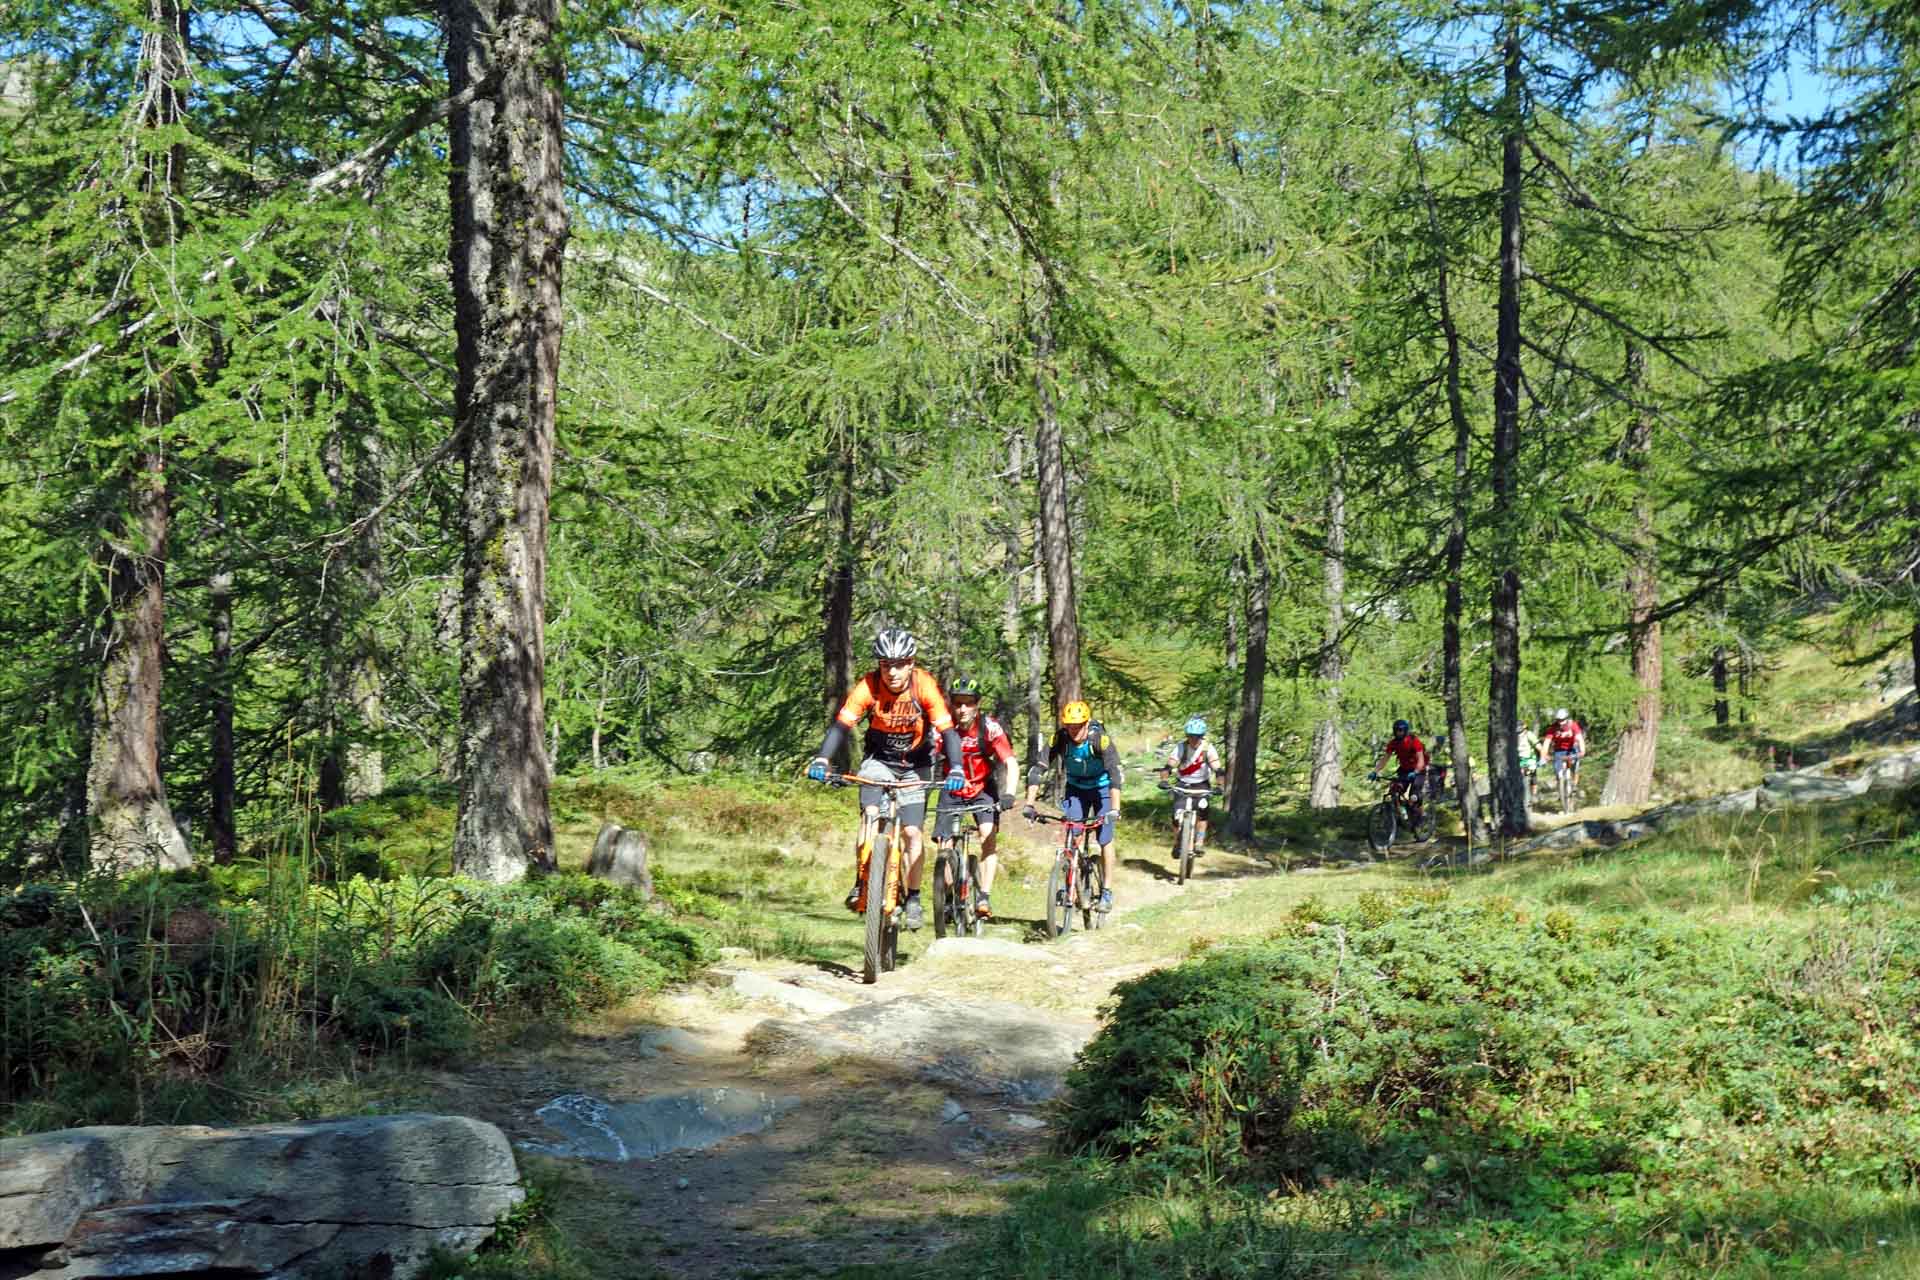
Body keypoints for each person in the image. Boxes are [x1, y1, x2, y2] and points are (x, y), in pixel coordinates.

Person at [807, 628, 965, 930]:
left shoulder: (924, 685)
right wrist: (822, 758)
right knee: (870, 816)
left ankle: (914, 897)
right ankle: (862, 880)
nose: (892, 672)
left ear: (911, 663)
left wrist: (956, 767)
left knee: (912, 834)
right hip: (878, 761)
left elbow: (947, 732)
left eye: (900, 664)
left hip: (916, 765)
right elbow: (841, 725)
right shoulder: (869, 686)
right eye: (885, 664)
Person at [1023, 700, 1124, 913]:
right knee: (1073, 832)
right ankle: (1071, 884)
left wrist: (1115, 809)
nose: (1074, 731)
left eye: (1078, 726)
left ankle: (1107, 891)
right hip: (1076, 789)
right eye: (1070, 726)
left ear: (1086, 724)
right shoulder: (1060, 739)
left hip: (1102, 789)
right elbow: (1037, 769)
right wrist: (1029, 804)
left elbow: (1115, 774)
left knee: (1104, 838)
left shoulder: (1099, 739)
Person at [931, 677, 1017, 918]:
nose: (962, 709)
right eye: (958, 703)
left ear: (977, 704)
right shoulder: (943, 727)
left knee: (988, 836)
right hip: (952, 788)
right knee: (944, 845)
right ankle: (948, 896)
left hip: (982, 788)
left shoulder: (989, 728)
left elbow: (1011, 762)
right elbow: (927, 755)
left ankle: (984, 896)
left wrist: (1010, 793)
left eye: (968, 703)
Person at [1163, 716, 1225, 857]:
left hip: (1201, 785)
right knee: (1176, 816)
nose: (1193, 739)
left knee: (1202, 813)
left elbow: (1218, 769)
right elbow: (1169, 765)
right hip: (1183, 784)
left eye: (1197, 736)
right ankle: (1177, 843)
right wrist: (1164, 780)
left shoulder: (1208, 749)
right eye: (1191, 736)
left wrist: (1220, 785)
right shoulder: (1181, 747)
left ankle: (1199, 842)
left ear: (1202, 736)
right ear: (1187, 736)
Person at [1368, 719, 1428, 826]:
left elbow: (1421, 760)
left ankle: (1421, 815)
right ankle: (1399, 816)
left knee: (1414, 796)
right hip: (1404, 770)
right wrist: (1375, 771)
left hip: (1418, 771)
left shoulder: (1414, 741)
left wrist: (1415, 772)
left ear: (1405, 730)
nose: (1398, 732)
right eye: (1396, 730)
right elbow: (1385, 759)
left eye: (1400, 730)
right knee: (1395, 789)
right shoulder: (1393, 743)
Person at [1545, 708, 1585, 796]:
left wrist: (1582, 751)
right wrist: (1544, 754)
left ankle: (1575, 785)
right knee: (1557, 770)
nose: (1560, 722)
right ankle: (1561, 788)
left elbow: (1580, 738)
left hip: (1572, 748)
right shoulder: (1553, 728)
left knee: (1575, 767)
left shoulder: (1573, 725)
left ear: (1567, 718)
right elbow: (1547, 742)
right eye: (1558, 720)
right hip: (1559, 750)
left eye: (1562, 720)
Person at [1515, 720, 1543, 803]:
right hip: (1519, 759)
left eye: (1520, 726)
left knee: (1533, 775)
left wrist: (1543, 755)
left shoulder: (1529, 734)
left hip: (1530, 758)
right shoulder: (1513, 736)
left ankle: (1534, 794)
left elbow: (1538, 745)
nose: (1518, 729)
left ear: (1524, 726)